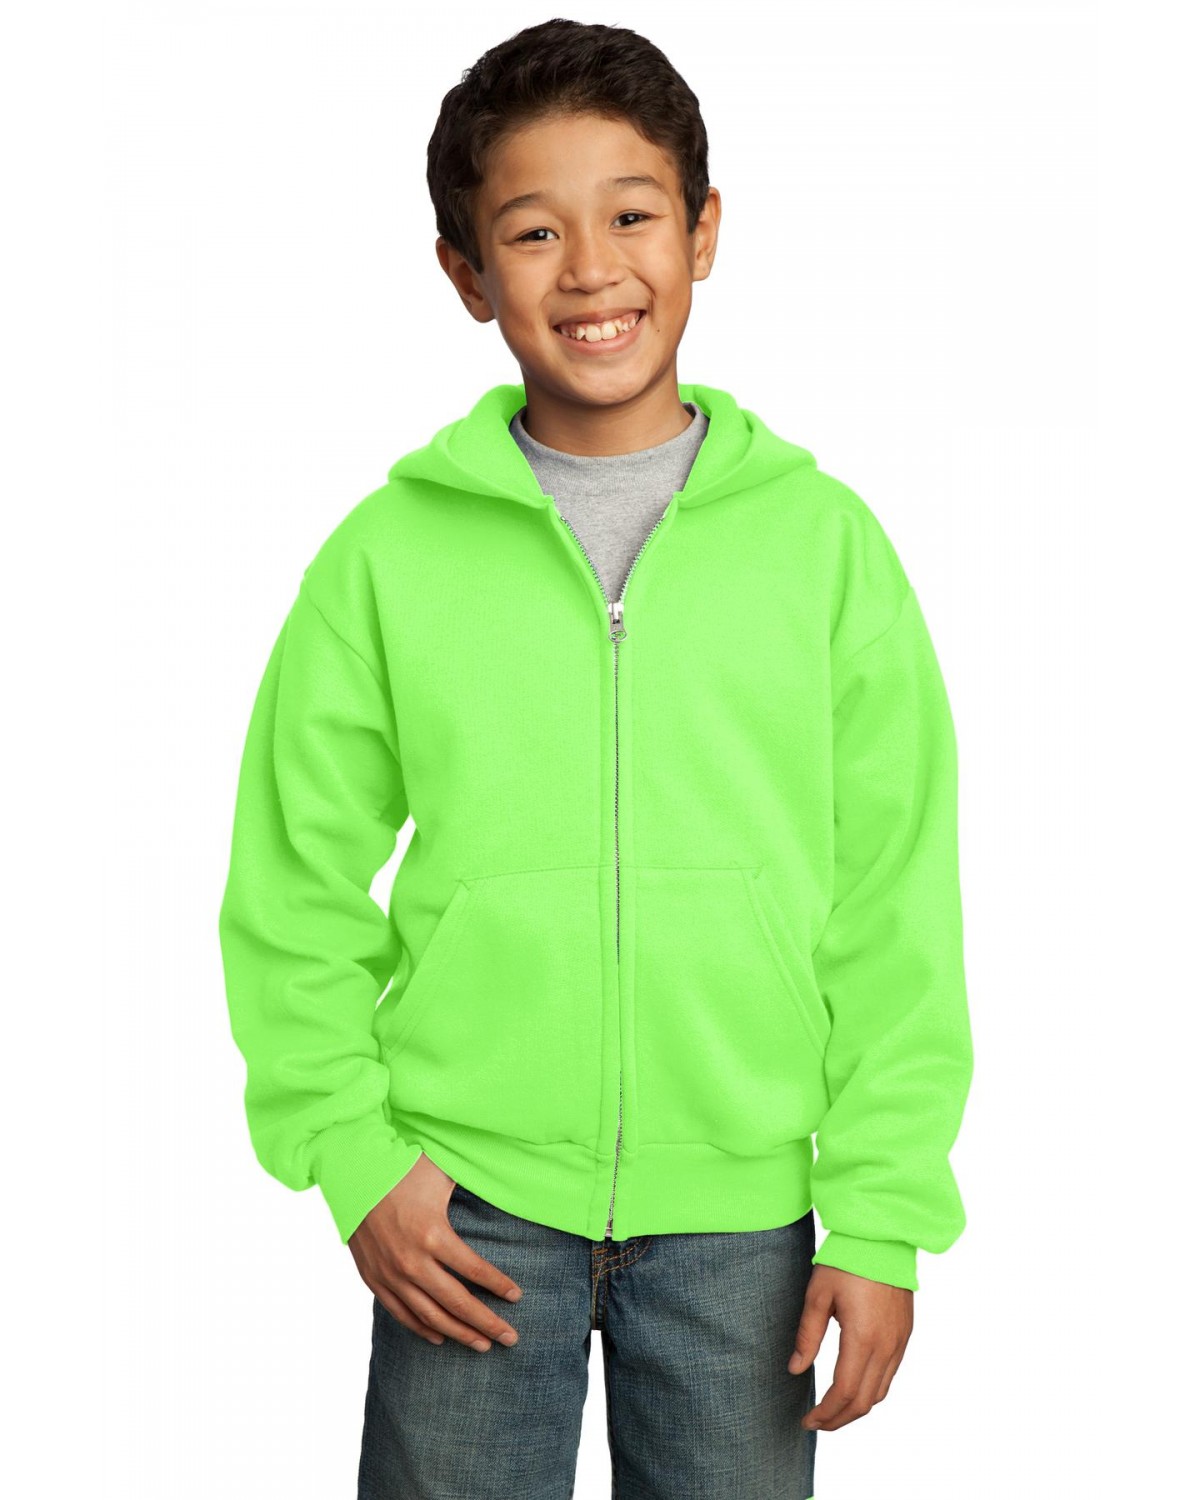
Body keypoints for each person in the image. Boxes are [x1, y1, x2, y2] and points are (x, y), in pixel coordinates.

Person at [217, 18, 974, 1499]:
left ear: (703, 232)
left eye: (631, 216)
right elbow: (291, 886)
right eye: (532, 230)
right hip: (466, 1207)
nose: (589, 269)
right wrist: (356, 1158)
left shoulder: (825, 551)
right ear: (466, 273)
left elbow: (898, 903)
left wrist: (882, 1214)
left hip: (745, 1221)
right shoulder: (387, 559)